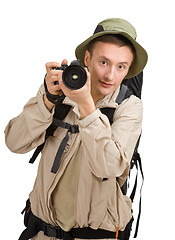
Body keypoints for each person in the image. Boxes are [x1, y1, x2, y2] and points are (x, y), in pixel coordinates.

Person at [4, 18, 148, 240]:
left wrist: (86, 107)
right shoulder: (61, 92)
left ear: (129, 69)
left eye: (121, 67)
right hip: (41, 232)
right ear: (87, 58)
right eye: (103, 62)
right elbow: (14, 142)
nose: (110, 76)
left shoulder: (130, 107)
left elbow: (108, 167)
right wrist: (47, 100)